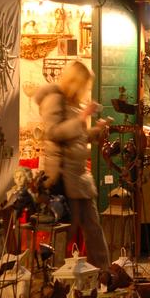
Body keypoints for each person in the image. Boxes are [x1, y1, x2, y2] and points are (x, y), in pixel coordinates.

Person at [34, 61, 110, 269]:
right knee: (66, 232)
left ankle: (103, 275)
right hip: (63, 177)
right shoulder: (54, 100)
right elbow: (54, 132)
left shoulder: (74, 103)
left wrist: (97, 131)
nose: (86, 90)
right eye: (84, 85)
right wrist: (82, 117)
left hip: (80, 177)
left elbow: (78, 136)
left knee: (93, 229)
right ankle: (58, 279)